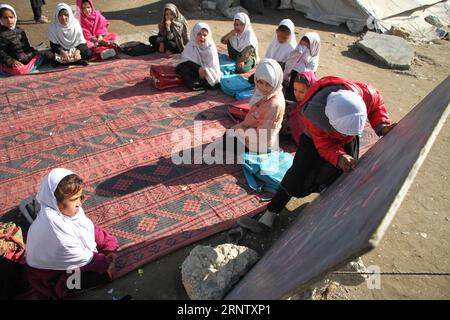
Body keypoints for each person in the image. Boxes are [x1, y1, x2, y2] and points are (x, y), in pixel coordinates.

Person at [238, 76, 397, 231]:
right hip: (315, 140)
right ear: (328, 120)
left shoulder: (364, 94)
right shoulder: (314, 115)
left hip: (348, 136)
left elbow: (376, 104)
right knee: (297, 174)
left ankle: (328, 214)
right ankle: (271, 214)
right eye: (339, 131)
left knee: (343, 176)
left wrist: (382, 126)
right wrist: (339, 156)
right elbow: (325, 145)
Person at [26, 168, 118, 299]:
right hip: (50, 276)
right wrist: (107, 262)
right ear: (56, 201)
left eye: (80, 197)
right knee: (103, 276)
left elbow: (88, 228)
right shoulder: (55, 229)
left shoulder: (64, 211)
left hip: (65, 261)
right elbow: (86, 259)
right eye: (74, 199)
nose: (79, 203)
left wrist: (109, 245)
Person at [217, 58, 285, 162]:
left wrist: (241, 130)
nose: (263, 87)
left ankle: (266, 154)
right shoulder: (262, 91)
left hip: (261, 142)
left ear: (275, 81)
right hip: (254, 129)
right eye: (260, 82)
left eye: (268, 84)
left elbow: (263, 136)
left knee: (227, 141)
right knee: (228, 135)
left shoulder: (274, 105)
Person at [0, 4, 51, 76]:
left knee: (49, 55)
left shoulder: (20, 30)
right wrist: (12, 61)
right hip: (12, 62)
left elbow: (26, 47)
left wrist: (32, 53)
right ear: (0, 20)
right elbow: (1, 53)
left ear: (15, 17)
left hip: (24, 58)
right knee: (19, 70)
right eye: (5, 18)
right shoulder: (1, 34)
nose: (9, 20)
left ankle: (30, 65)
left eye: (11, 17)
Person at [176, 22, 222, 91]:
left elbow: (211, 67)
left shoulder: (210, 48)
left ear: (208, 36)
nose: (202, 37)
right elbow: (185, 60)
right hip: (197, 70)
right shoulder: (191, 44)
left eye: (205, 35)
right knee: (180, 67)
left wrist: (203, 70)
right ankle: (197, 83)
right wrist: (198, 68)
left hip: (207, 74)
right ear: (195, 34)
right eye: (199, 34)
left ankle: (199, 84)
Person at [283, 32, 320, 101]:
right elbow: (289, 65)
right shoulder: (296, 53)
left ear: (314, 47)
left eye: (307, 48)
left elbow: (309, 76)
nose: (303, 50)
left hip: (304, 84)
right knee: (291, 94)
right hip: (293, 82)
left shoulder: (313, 61)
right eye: (302, 46)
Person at [281, 71, 317, 137]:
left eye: (301, 92)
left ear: (311, 90)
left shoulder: (311, 110)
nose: (297, 94)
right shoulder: (301, 103)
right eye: (295, 89)